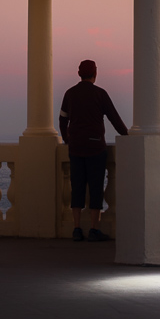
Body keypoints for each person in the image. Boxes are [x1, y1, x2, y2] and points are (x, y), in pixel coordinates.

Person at [59, 59, 129, 242]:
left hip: (75, 147)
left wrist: (67, 138)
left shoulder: (70, 94)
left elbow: (62, 119)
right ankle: (94, 229)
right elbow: (114, 118)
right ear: (95, 73)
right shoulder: (100, 94)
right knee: (96, 188)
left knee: (77, 188)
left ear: (79, 73)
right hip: (96, 148)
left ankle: (76, 228)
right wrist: (128, 136)